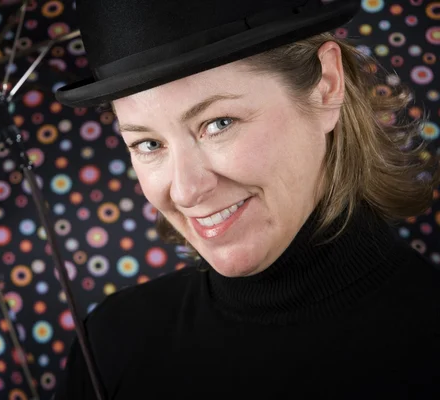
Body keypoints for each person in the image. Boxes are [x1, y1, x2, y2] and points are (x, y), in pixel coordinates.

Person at [53, 0, 440, 398]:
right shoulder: (110, 345)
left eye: (218, 123)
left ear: (327, 87)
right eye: (148, 143)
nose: (185, 190)